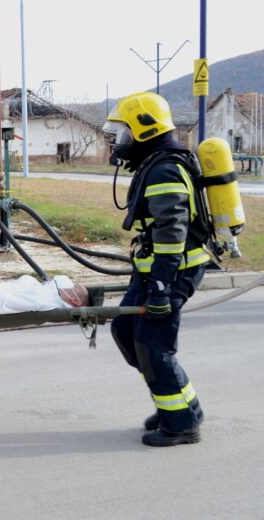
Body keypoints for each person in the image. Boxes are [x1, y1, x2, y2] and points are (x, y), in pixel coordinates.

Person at [104, 92, 211, 447]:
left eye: (124, 135)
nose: (119, 144)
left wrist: (162, 287)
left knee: (153, 345)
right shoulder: (157, 162)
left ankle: (181, 424)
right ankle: (183, 407)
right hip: (154, 269)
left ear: (146, 131)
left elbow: (172, 230)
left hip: (172, 272)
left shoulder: (164, 168)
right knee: (124, 328)